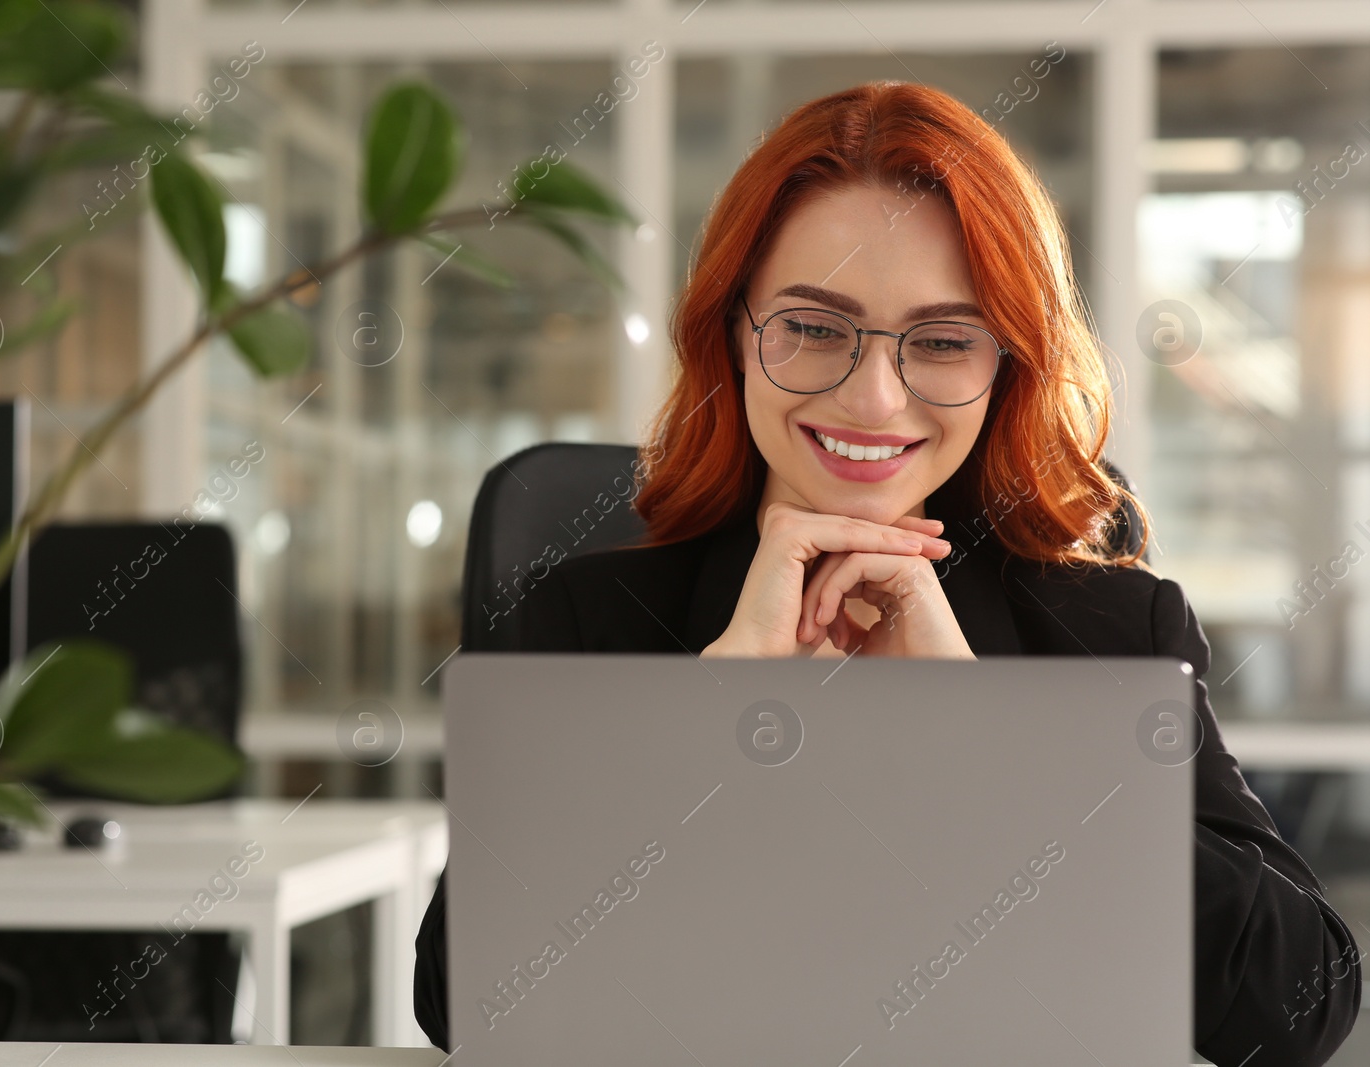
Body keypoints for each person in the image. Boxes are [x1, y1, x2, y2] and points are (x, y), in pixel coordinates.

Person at [414, 80, 1362, 1066]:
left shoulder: (1112, 624)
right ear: (734, 335)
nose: (872, 397)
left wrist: (981, 736)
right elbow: (458, 995)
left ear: (1007, 365)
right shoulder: (583, 616)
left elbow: (1299, 1005)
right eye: (814, 327)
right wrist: (706, 713)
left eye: (944, 340)